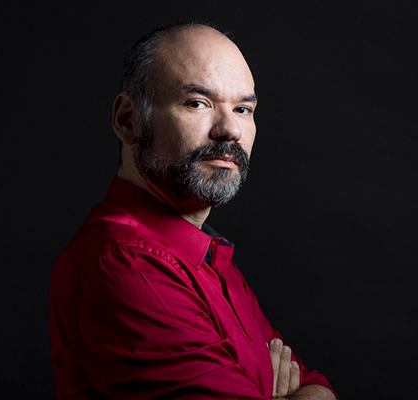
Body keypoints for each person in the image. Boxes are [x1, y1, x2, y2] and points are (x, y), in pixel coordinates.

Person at [49, 21, 338, 400]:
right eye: (198, 103)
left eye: (243, 108)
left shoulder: (208, 258)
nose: (230, 130)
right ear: (128, 120)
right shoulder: (127, 267)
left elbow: (313, 381)